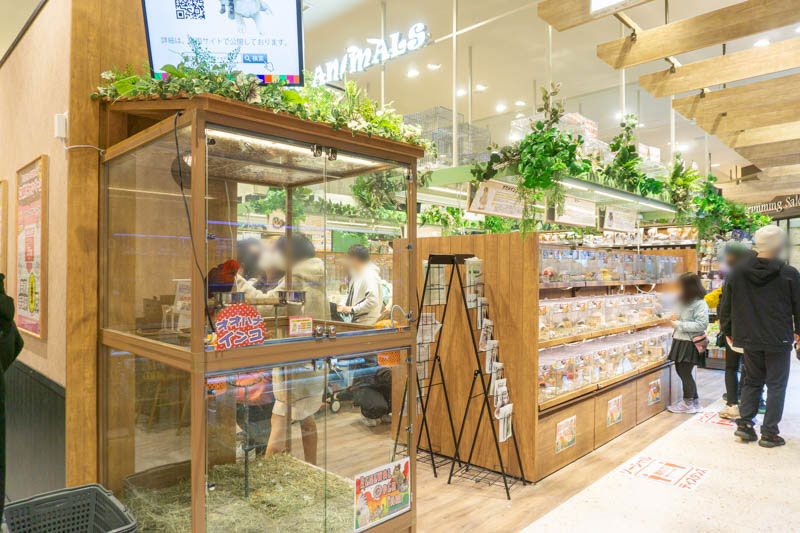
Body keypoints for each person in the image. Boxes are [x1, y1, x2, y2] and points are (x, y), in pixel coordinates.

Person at [720, 225, 800, 448]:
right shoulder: (789, 273)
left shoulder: (737, 272)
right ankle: (769, 433)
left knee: (751, 380)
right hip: (779, 337)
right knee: (776, 385)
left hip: (748, 336)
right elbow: (799, 306)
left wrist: (727, 331)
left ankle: (745, 425)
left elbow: (726, 305)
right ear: (779, 245)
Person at [707, 242, 756, 420]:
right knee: (751, 368)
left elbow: (725, 305)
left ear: (734, 256)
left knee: (731, 367)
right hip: (756, 330)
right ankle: (750, 402)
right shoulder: (760, 272)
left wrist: (726, 330)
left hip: (735, 329)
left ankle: (732, 404)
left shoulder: (734, 275)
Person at [236, 233, 330, 321]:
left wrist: (235, 278)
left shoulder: (297, 278)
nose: (263, 254)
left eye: (272, 250)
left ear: (286, 255)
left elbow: (267, 309)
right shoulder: (311, 275)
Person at [666, 272, 709, 414]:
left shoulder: (700, 303)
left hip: (690, 342)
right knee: (683, 372)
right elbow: (676, 315)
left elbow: (701, 324)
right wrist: (672, 317)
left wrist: (678, 324)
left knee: (684, 372)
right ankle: (695, 402)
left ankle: (687, 403)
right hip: (680, 340)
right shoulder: (683, 299)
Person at [337, 244, 383, 325]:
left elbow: (372, 301)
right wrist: (342, 305)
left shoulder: (370, 275)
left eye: (349, 258)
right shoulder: (356, 273)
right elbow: (349, 293)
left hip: (367, 323)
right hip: (356, 321)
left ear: (354, 259)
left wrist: (352, 309)